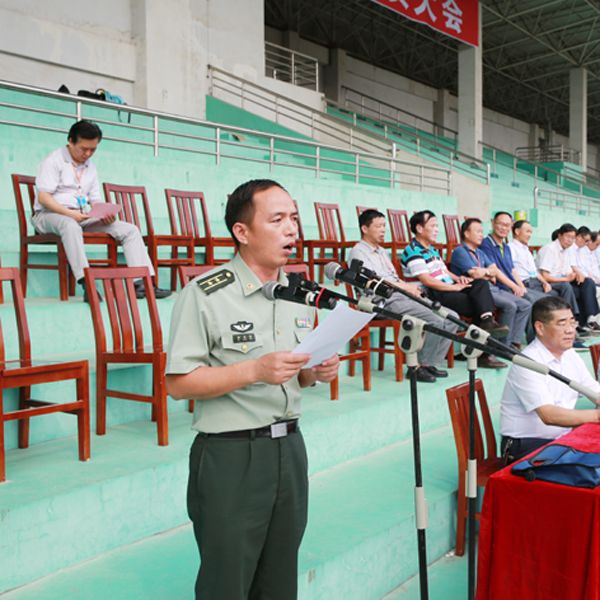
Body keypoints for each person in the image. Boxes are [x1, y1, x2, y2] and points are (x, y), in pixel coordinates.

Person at [165, 179, 340, 600]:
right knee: (227, 583)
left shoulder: (298, 292)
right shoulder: (205, 294)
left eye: (294, 218)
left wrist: (316, 372)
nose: (291, 229)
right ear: (242, 233)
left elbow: (296, 373)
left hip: (289, 450)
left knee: (279, 582)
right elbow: (177, 384)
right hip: (231, 456)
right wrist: (254, 370)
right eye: (277, 219)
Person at [34, 120, 171, 301]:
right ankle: (87, 284)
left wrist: (103, 213)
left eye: (93, 150)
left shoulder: (90, 166)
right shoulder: (54, 160)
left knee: (129, 230)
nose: (88, 154)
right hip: (49, 216)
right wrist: (70, 214)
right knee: (70, 225)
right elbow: (44, 198)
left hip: (81, 216)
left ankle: (141, 284)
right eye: (84, 149)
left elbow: (95, 199)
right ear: (70, 141)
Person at [348, 209, 458, 382]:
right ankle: (416, 367)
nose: (383, 230)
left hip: (399, 295)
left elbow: (394, 278)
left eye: (384, 226)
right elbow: (375, 282)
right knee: (435, 319)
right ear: (364, 228)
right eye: (378, 226)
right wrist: (406, 287)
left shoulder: (381, 251)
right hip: (381, 301)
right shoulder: (358, 252)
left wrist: (408, 288)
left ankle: (429, 363)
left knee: (452, 317)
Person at [401, 210, 507, 368]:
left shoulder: (431, 250)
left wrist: (458, 279)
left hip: (448, 287)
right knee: (480, 304)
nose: (437, 229)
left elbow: (444, 272)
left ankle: (486, 322)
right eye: (433, 226)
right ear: (419, 228)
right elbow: (427, 280)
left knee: (480, 284)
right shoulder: (412, 250)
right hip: (434, 293)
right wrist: (455, 288)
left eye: (437, 226)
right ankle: (481, 351)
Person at [500, 296, 600, 464]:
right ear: (540, 328)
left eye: (572, 322)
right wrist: (597, 416)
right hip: (526, 445)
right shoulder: (527, 362)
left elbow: (593, 390)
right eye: (562, 324)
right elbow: (549, 415)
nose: (570, 330)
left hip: (562, 437)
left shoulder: (570, 354)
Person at [451, 218, 530, 351]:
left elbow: (494, 270)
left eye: (482, 232)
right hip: (477, 292)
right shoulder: (460, 251)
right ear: (466, 234)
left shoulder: (480, 252)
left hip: (492, 288)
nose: (481, 235)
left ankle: (513, 342)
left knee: (525, 305)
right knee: (510, 305)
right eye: (478, 232)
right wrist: (488, 273)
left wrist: (485, 272)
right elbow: (475, 274)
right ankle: (502, 346)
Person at [536, 223, 600, 331]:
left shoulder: (565, 250)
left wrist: (575, 275)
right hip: (549, 282)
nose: (570, 241)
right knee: (568, 287)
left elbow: (567, 271)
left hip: (562, 280)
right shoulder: (550, 249)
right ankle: (573, 322)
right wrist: (566, 278)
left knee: (587, 282)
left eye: (572, 238)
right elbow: (545, 276)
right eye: (568, 237)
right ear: (560, 235)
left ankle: (589, 317)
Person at [509, 219, 577, 306]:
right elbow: (511, 270)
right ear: (517, 231)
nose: (530, 235)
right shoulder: (511, 248)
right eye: (527, 231)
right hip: (526, 283)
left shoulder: (525, 249)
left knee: (565, 287)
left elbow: (534, 271)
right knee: (556, 293)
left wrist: (545, 283)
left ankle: (569, 316)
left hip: (536, 282)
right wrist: (521, 287)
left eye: (531, 232)